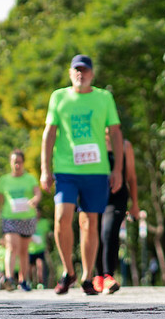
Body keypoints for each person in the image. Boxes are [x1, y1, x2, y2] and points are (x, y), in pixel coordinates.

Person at [40, 54, 124, 295]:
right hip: (66, 169)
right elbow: (49, 133)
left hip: (96, 170)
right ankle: (69, 271)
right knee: (61, 218)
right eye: (76, 70)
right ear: (70, 73)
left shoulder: (104, 97)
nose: (80, 73)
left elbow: (115, 133)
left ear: (92, 74)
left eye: (85, 70)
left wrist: (117, 169)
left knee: (89, 222)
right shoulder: (59, 97)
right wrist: (45, 169)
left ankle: (87, 277)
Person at [93, 131, 139, 295]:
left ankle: (108, 276)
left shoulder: (125, 146)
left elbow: (131, 176)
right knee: (95, 233)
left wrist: (135, 204)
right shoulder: (93, 141)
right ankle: (97, 276)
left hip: (117, 196)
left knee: (109, 231)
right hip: (95, 195)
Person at [0, 149, 41, 292]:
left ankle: (23, 280)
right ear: (10, 163)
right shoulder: (4, 180)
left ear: (23, 163)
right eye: (14, 162)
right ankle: (9, 278)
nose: (17, 165)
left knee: (24, 250)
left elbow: (38, 193)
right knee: (12, 247)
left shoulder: (30, 178)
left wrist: (35, 200)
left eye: (19, 162)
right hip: (10, 218)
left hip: (27, 218)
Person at [28, 207, 52, 289]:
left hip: (41, 248)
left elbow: (47, 234)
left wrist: (48, 244)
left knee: (40, 265)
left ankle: (40, 282)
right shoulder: (29, 222)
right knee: (30, 267)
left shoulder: (44, 222)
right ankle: (30, 282)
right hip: (30, 249)